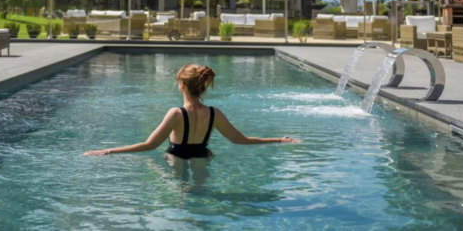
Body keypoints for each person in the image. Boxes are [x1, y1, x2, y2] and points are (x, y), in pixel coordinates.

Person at [83, 63, 301, 158]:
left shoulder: (175, 114)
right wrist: (278, 140)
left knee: (184, 200)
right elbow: (240, 140)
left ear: (182, 85)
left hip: (176, 159)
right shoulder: (215, 113)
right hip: (203, 157)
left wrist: (109, 151)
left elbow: (149, 145)